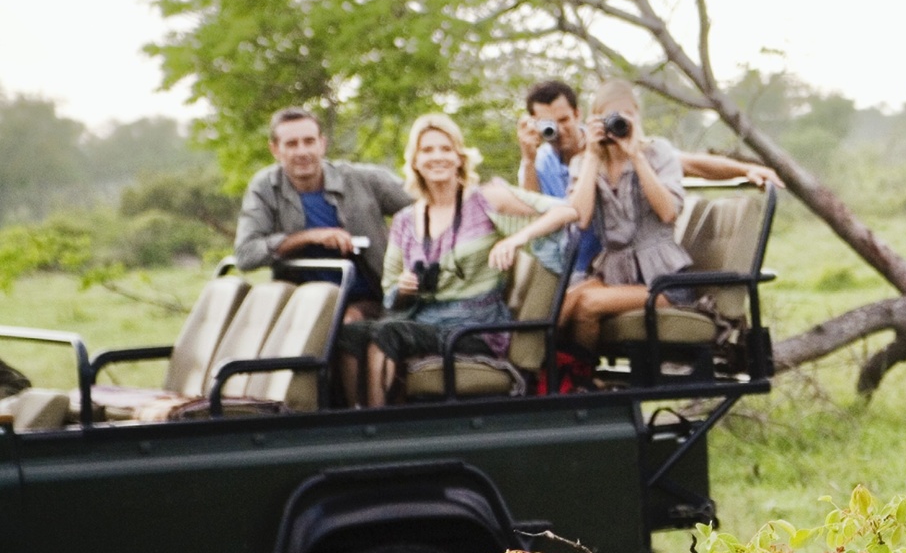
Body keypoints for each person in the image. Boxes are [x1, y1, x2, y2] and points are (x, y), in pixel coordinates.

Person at [350, 113, 580, 408]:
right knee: (350, 334)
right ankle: (354, 422)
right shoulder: (405, 221)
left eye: (446, 149)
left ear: (459, 157)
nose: (437, 157)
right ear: (415, 161)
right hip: (424, 320)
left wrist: (514, 239)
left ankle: (377, 431)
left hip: (474, 328)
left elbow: (566, 212)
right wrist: (405, 288)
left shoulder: (485, 200)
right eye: (427, 150)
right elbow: (390, 294)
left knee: (388, 332)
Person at [515, 78, 778, 283]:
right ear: (535, 124)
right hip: (571, 264)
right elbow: (533, 209)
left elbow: (688, 163)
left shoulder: (614, 142)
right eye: (548, 124)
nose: (559, 131)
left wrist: (745, 169)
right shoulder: (542, 162)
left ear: (579, 114)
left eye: (564, 120)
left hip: (609, 262)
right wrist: (527, 160)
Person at [556, 83, 699, 357]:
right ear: (594, 121)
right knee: (565, 301)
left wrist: (635, 154)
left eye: (623, 117)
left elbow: (668, 212)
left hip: (664, 281)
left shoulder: (658, 152)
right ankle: (552, 377)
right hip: (614, 274)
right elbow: (580, 219)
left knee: (587, 303)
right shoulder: (585, 162)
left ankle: (579, 376)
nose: (616, 125)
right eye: (609, 118)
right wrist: (592, 157)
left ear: (637, 118)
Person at [234, 107, 412, 313]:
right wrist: (309, 237)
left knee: (343, 325)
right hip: (301, 304)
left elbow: (428, 206)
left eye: (309, 141)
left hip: (370, 299)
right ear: (275, 149)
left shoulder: (363, 180)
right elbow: (246, 255)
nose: (302, 152)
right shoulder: (265, 187)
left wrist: (405, 250)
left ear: (322, 144)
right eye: (291, 144)